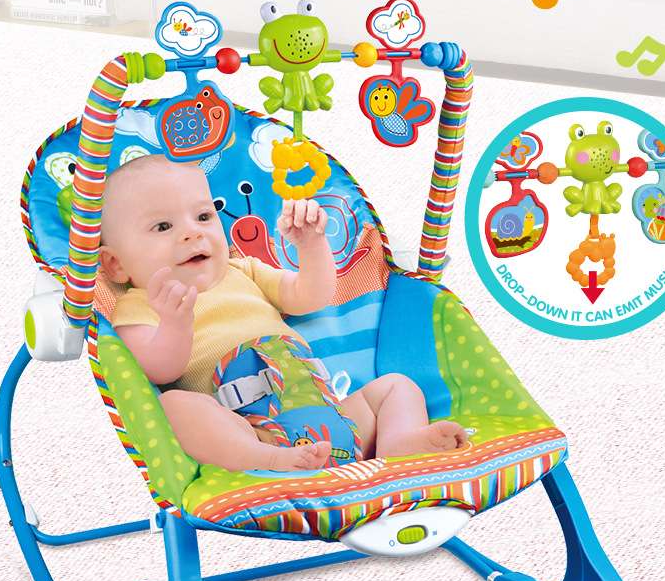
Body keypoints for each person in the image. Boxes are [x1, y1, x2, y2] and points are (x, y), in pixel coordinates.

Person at [100, 155, 468, 472]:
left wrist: (312, 246)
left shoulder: (243, 270)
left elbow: (310, 296)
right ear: (116, 265)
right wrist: (174, 323)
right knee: (174, 406)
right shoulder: (138, 305)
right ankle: (270, 459)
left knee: (396, 386)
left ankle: (398, 442)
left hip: (332, 416)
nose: (192, 233)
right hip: (247, 429)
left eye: (203, 216)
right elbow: (159, 371)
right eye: (163, 226)